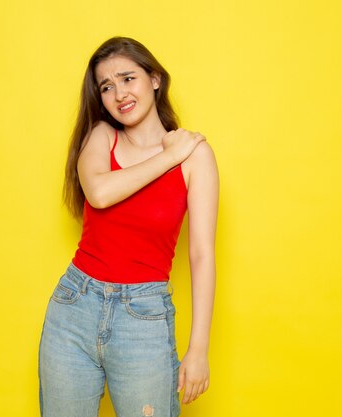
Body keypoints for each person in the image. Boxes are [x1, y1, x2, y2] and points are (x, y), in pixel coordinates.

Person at [38, 36, 219, 417]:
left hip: (143, 318)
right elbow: (100, 193)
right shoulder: (102, 136)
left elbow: (201, 254)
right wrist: (168, 155)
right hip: (74, 308)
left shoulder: (196, 157)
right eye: (107, 86)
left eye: (128, 78)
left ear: (154, 79)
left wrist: (198, 348)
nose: (119, 93)